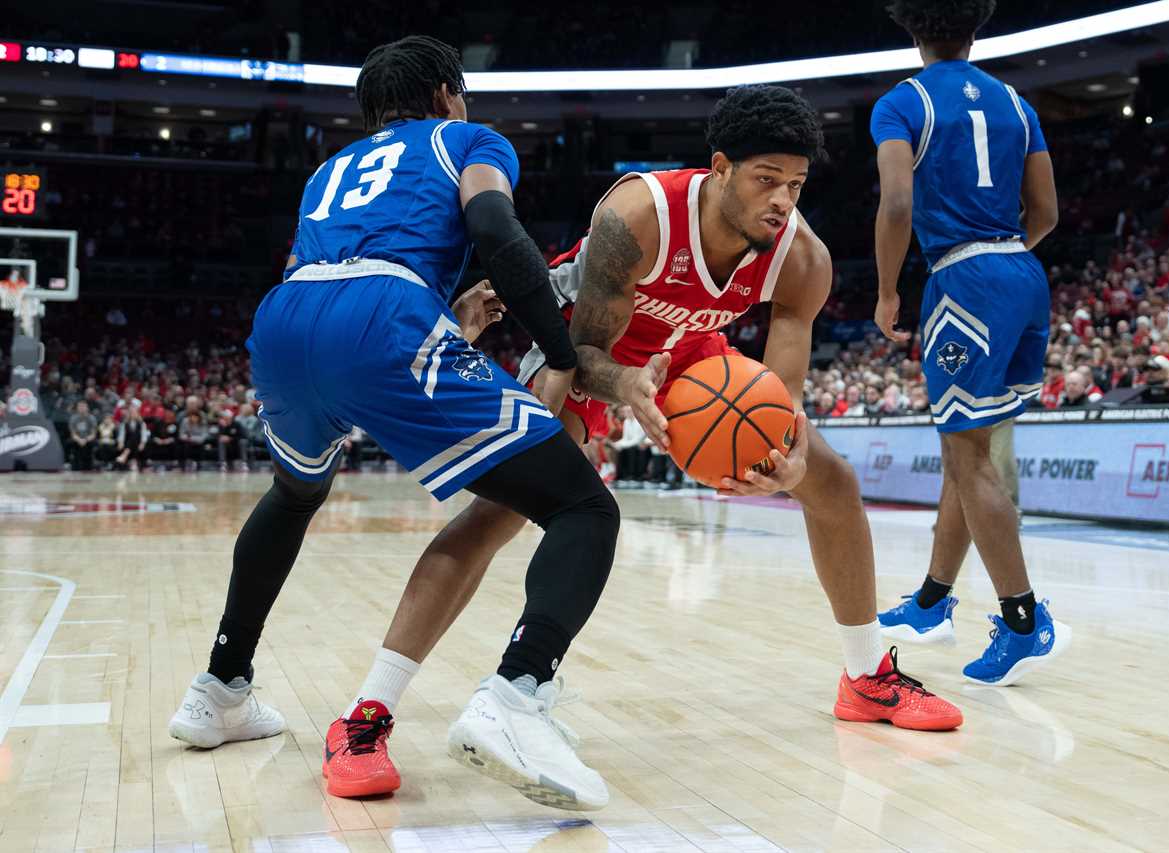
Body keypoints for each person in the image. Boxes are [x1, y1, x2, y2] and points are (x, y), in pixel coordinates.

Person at [329, 82, 964, 802]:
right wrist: (624, 386)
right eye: (765, 179)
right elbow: (583, 349)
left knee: (831, 480)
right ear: (719, 167)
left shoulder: (802, 259)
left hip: (690, 357)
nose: (783, 199)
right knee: (503, 509)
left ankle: (864, 675)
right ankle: (368, 713)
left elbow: (782, 394)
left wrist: (781, 455)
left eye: (795, 183)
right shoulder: (637, 216)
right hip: (579, 347)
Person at [167, 35, 621, 813]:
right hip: (382, 317)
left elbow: (341, 269)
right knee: (582, 506)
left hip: (285, 319)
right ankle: (518, 692)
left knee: (293, 494)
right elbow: (495, 229)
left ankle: (220, 689)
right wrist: (561, 350)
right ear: (448, 92)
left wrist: (441, 318)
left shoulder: (327, 170)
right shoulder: (466, 138)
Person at [872, 0, 1070, 685]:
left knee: (967, 456)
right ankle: (932, 600)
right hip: (1023, 269)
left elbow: (897, 204)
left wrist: (889, 290)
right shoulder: (1016, 102)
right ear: (976, 24)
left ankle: (1023, 620)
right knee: (971, 450)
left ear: (912, 27)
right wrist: (1006, 258)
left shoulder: (902, 102)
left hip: (964, 280)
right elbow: (1046, 211)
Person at [67, 401, 97, 471]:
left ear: (87, 408)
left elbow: (93, 434)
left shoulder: (92, 418)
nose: (82, 408)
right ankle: (71, 464)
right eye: (80, 407)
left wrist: (85, 440)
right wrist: (79, 440)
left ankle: (89, 466)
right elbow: (73, 434)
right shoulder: (73, 418)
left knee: (91, 444)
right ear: (77, 408)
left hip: (88, 439)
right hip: (77, 439)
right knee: (70, 443)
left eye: (83, 406)